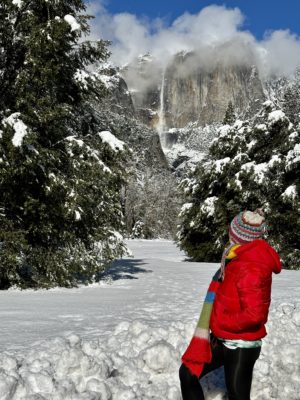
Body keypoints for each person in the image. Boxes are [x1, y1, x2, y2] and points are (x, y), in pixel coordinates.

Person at [179, 209, 281, 400]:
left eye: (232, 231)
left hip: (242, 345)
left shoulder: (252, 266)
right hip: (222, 337)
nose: (228, 234)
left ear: (240, 236)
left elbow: (255, 314)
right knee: (187, 374)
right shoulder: (235, 257)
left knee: (237, 396)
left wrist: (222, 321)